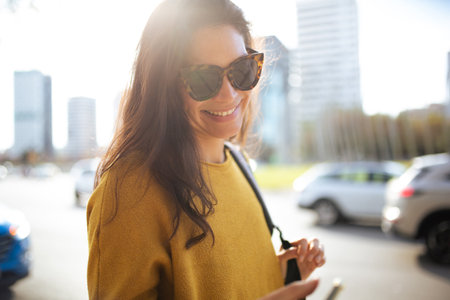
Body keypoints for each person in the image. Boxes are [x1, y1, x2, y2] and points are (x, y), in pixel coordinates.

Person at [86, 0, 325, 299]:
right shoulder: (130, 188)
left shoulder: (239, 164)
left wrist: (284, 273)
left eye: (242, 69)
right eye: (203, 78)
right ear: (164, 87)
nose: (230, 93)